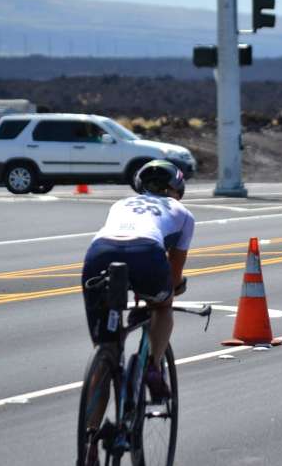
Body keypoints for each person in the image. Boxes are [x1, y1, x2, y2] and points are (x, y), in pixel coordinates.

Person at [81, 159, 195, 398]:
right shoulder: (183, 214)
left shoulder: (120, 203)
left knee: (106, 349)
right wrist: (171, 289)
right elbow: (174, 272)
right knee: (164, 305)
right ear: (177, 189)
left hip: (99, 252)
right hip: (146, 252)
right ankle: (153, 367)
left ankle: (92, 430)